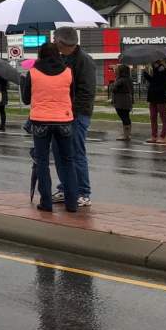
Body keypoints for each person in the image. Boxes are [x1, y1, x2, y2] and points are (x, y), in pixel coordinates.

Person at [20, 42, 79, 212]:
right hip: (64, 120)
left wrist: (25, 82)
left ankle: (46, 202)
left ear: (41, 55)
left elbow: (26, 100)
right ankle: (72, 203)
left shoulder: (33, 72)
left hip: (40, 121)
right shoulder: (68, 72)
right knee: (68, 162)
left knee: (42, 162)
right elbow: (72, 96)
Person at [52, 27, 96, 207]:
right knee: (60, 153)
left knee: (76, 153)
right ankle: (66, 187)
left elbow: (86, 92)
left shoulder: (84, 61)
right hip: (60, 114)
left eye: (55, 40)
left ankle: (83, 192)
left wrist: (72, 112)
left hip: (76, 115)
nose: (53, 43)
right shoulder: (62, 59)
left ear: (63, 42)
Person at [145, 58, 166, 144]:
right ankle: (154, 136)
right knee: (153, 117)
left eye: (152, 62)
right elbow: (154, 82)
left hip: (160, 97)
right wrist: (147, 76)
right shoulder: (155, 70)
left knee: (163, 117)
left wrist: (158, 89)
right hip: (152, 96)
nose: (151, 63)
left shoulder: (163, 70)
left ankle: (163, 136)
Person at [108, 63, 134, 142]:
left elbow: (113, 88)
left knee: (124, 118)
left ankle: (126, 135)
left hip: (121, 101)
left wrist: (115, 80)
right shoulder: (128, 79)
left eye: (117, 70)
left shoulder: (121, 80)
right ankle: (127, 134)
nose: (115, 71)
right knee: (126, 117)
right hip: (126, 100)